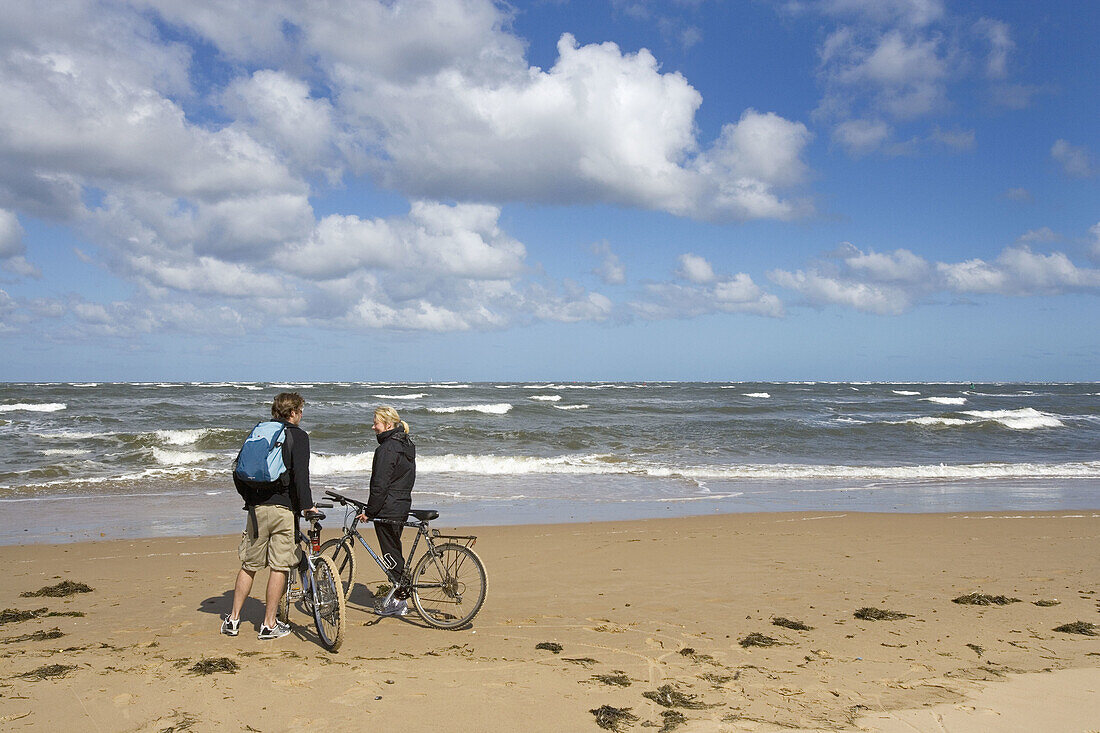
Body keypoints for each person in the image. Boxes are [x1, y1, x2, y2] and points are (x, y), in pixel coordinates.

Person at [222, 392, 317, 639]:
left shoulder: (260, 432)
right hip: (283, 511)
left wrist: (249, 501)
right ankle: (269, 624)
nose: (302, 414)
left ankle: (232, 620)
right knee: (279, 566)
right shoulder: (298, 436)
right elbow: (300, 478)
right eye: (301, 410)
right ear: (294, 412)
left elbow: (238, 470)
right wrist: (307, 507)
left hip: (256, 509)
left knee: (249, 565)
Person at [356, 405, 416, 617]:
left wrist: (370, 511)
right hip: (401, 504)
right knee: (395, 549)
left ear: (388, 425)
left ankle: (400, 600)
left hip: (388, 508)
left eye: (376, 423)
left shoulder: (387, 449)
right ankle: (400, 593)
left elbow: (380, 484)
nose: (373, 427)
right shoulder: (406, 445)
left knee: (391, 554)